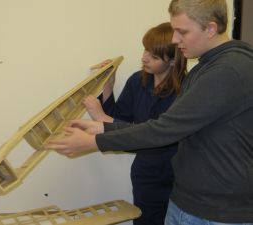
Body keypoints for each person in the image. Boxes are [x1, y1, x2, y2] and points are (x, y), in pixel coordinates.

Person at [45, 0, 253, 224]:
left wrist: (96, 141)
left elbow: (166, 129)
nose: (175, 39)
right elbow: (168, 126)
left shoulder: (228, 70)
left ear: (211, 29)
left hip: (217, 212)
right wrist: (104, 127)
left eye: (182, 32)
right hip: (187, 202)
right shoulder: (206, 66)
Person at [82, 22, 187, 225]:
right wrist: (108, 87)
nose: (144, 58)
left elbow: (153, 135)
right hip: (146, 174)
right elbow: (120, 119)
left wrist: (102, 119)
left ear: (173, 61)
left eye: (154, 56)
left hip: (175, 175)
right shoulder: (138, 80)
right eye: (145, 50)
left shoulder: (184, 90)